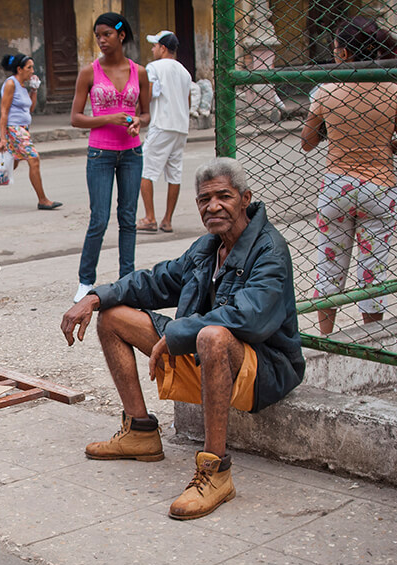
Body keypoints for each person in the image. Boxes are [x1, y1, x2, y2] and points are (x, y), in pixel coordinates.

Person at [61, 157, 305, 520]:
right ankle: (140, 431)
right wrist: (94, 297)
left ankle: (215, 472)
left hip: (265, 369)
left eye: (224, 196)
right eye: (205, 200)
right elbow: (156, 281)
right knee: (112, 317)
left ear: (245, 199)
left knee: (212, 336)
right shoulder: (208, 248)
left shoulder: (269, 249)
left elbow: (249, 319)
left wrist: (177, 333)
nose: (214, 206)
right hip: (208, 353)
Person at [301, 17, 397, 334]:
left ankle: (327, 338)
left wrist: (336, 133)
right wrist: (382, 145)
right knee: (373, 271)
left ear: (344, 53)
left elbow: (307, 142)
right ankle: (372, 340)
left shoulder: (325, 91)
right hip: (380, 187)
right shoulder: (393, 89)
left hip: (336, 186)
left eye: (336, 47)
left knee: (329, 268)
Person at [70, 13, 151, 303]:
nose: (102, 41)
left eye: (106, 34)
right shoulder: (89, 72)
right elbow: (76, 118)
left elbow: (146, 113)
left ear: (121, 35)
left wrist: (138, 122)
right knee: (99, 219)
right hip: (100, 153)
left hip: (131, 152)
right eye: (98, 36)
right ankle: (85, 280)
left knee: (128, 219)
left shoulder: (139, 72)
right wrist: (108, 118)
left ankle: (126, 279)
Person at [0, 54, 62, 211]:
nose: (32, 71)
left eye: (32, 67)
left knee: (12, 163)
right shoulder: (11, 84)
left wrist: (34, 90)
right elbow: (4, 112)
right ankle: (42, 200)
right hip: (14, 129)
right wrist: (2, 138)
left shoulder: (22, 86)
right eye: (29, 67)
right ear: (19, 69)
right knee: (34, 159)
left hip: (23, 129)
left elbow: (30, 109)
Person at [137, 31, 191, 234]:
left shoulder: (154, 67)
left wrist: (138, 115)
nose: (153, 49)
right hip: (180, 127)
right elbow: (187, 101)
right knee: (174, 174)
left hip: (162, 124)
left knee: (146, 170)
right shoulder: (184, 72)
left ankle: (150, 217)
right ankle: (167, 219)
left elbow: (148, 94)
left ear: (163, 48)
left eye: (155, 46)